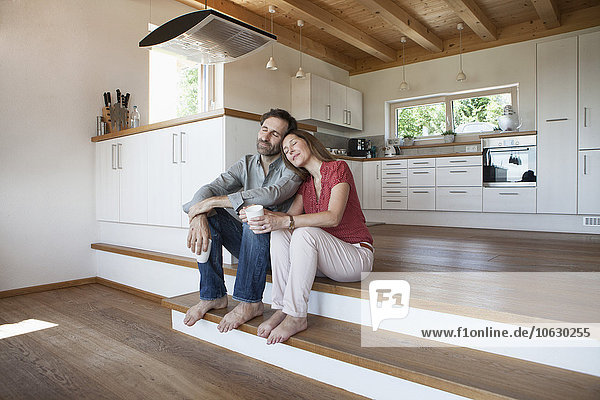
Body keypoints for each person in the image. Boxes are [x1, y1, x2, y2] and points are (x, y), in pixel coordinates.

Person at [247, 130, 374, 344]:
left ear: (309, 142)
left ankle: (296, 315)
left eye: (294, 144)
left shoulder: (338, 169)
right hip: (326, 262)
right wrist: (265, 216)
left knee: (303, 232)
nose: (290, 151)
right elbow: (288, 219)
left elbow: (333, 217)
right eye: (285, 151)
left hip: (356, 256)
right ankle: (281, 308)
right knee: (280, 233)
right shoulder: (305, 185)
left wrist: (286, 221)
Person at [182, 109, 302, 333]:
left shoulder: (293, 167)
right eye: (264, 129)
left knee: (253, 214)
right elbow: (210, 188)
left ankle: (250, 302)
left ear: (284, 139)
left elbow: (272, 194)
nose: (265, 137)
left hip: (277, 254)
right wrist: (199, 213)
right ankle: (214, 295)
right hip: (248, 247)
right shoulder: (246, 163)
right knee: (210, 215)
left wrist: (212, 203)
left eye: (274, 134)